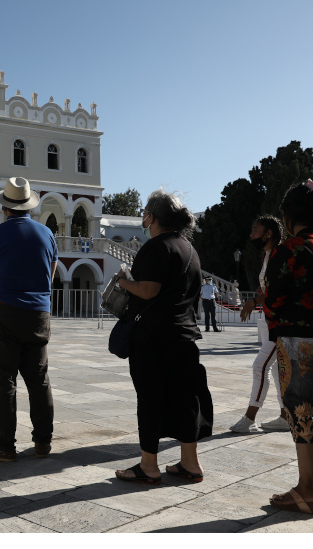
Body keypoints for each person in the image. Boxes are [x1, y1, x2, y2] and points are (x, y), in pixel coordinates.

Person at [114, 189, 213, 485]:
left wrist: (122, 282)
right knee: (186, 399)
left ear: (153, 216)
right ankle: (190, 463)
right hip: (185, 336)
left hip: (154, 338)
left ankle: (149, 466)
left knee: (151, 398)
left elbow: (148, 290)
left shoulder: (156, 247)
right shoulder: (189, 250)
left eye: (145, 210)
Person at [265, 180, 313, 516]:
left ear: (287, 214)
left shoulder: (291, 248)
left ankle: (307, 492)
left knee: (301, 410)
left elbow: (275, 298)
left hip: (298, 336)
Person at [0, 177, 56, 462]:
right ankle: (43, 441)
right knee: (39, 379)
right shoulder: (47, 234)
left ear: (5, 207)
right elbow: (51, 276)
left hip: (5, 310)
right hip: (38, 312)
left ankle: (5, 444)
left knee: (5, 379)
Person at [231, 216, 288, 433]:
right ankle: (284, 416)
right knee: (274, 370)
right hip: (267, 319)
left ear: (269, 233)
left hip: (278, 323)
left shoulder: (279, 255)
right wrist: (259, 294)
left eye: (256, 230)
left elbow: (280, 292)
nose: (251, 233)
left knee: (260, 366)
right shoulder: (268, 256)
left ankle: (249, 418)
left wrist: (254, 300)